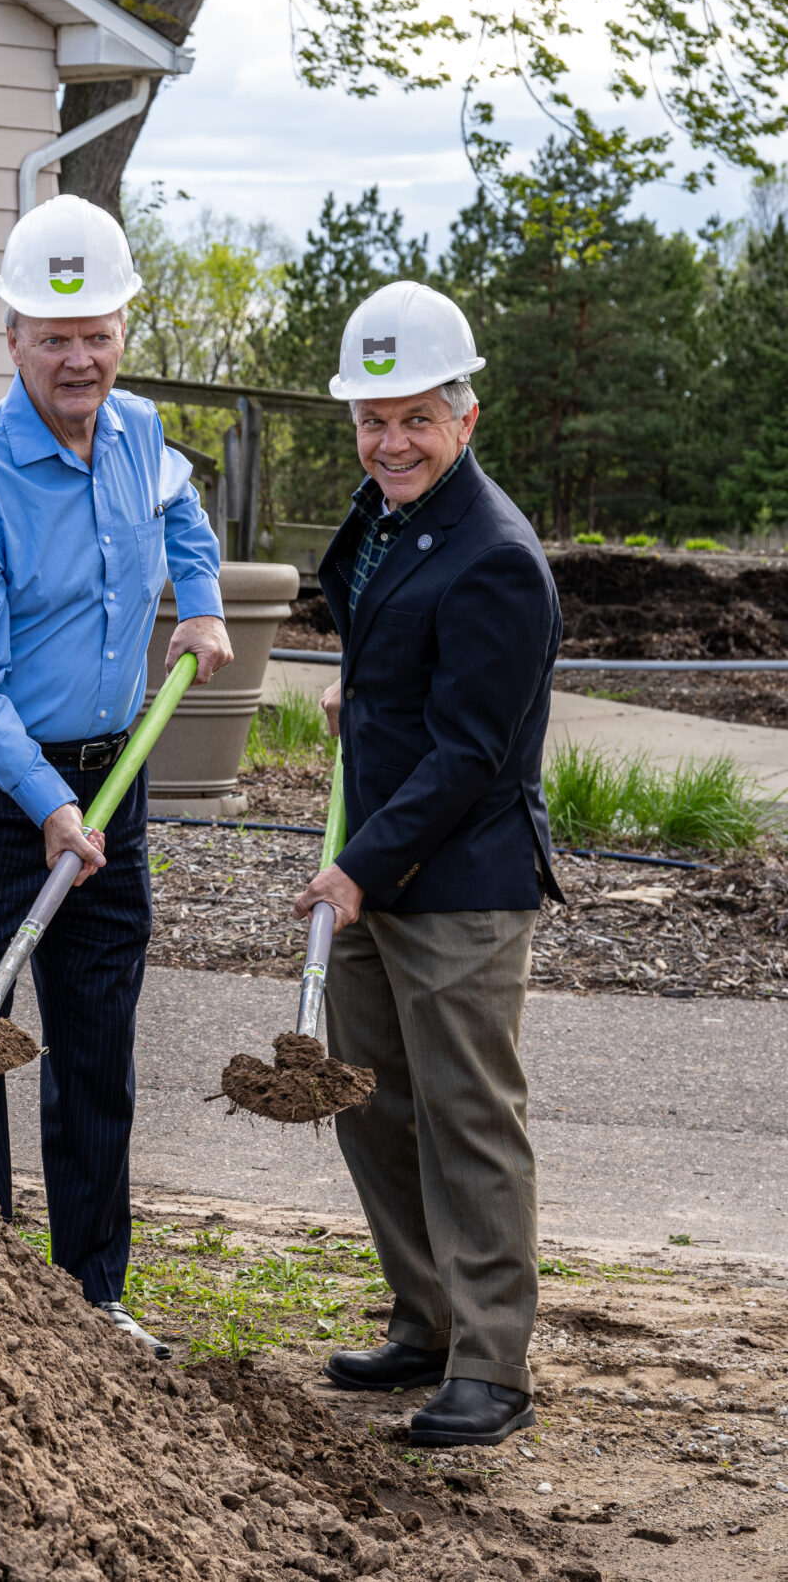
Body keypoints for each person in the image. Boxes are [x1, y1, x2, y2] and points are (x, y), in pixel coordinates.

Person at [0, 193, 231, 1358]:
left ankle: (92, 1295)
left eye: (97, 334)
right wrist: (45, 805)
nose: (78, 357)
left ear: (125, 330)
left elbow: (184, 511)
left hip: (109, 775)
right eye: (53, 336)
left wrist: (202, 603)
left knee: (96, 1039)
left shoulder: (138, 436)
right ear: (13, 341)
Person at [295, 281, 561, 1448]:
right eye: (370, 417)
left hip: (453, 883)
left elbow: (470, 758)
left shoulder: (495, 555)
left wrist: (357, 872)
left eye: (413, 418)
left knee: (466, 1118)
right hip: (378, 857)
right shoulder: (386, 512)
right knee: (374, 1106)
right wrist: (370, 685)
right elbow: (387, 633)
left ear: (464, 416)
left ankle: (492, 1367)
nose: (389, 440)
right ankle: (427, 1320)